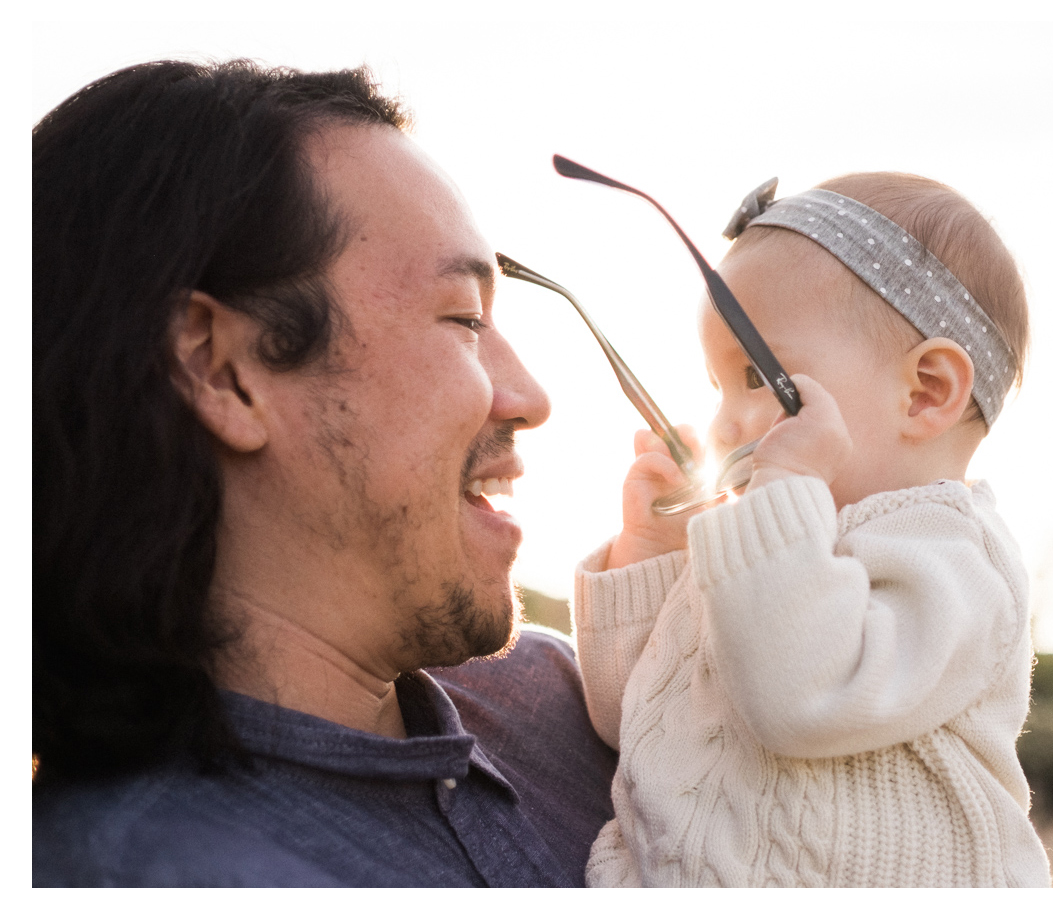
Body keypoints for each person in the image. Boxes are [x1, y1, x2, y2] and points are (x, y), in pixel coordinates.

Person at [32, 59, 616, 886]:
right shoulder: (138, 876)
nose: (527, 397)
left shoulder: (578, 701)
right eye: (464, 319)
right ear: (221, 371)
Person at [572, 172, 1052, 886]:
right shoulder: (764, 557)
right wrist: (651, 552)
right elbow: (633, 724)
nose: (723, 425)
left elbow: (802, 696)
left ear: (924, 394)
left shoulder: (953, 555)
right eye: (717, 385)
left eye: (758, 378)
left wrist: (780, 500)